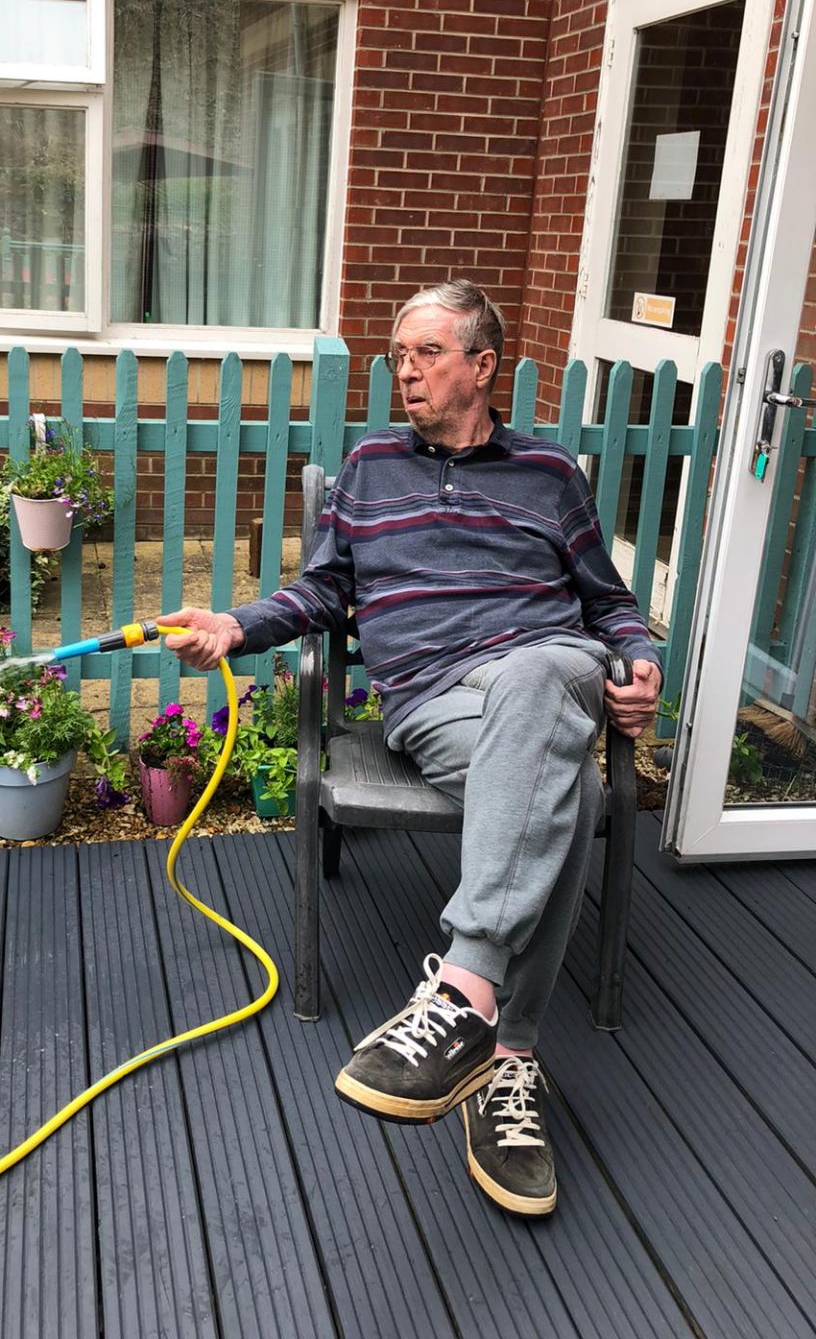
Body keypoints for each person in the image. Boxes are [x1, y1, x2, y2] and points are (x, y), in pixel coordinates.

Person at [162, 279, 662, 1219]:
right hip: (434, 702)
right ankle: (506, 1056)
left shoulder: (551, 475)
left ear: (484, 365)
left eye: (427, 353)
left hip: (545, 670)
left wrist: (640, 663)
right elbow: (323, 592)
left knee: (540, 675)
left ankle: (467, 1001)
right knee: (576, 793)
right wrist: (236, 624)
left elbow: (609, 603)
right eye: (399, 356)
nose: (406, 371)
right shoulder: (370, 467)